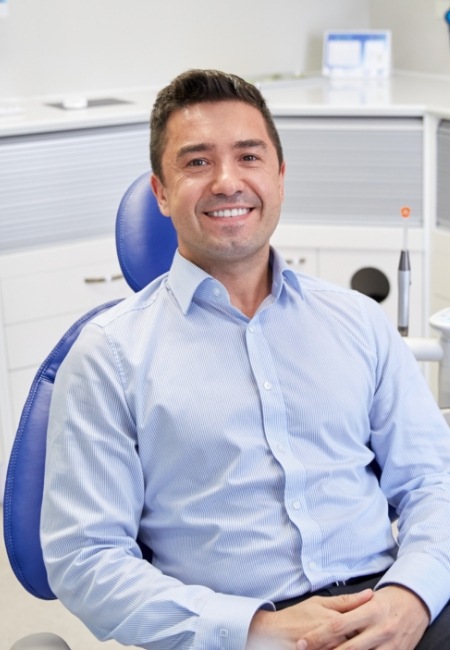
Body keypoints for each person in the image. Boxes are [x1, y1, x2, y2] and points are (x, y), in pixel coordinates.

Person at [40, 69, 450, 650]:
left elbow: (434, 481)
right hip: (234, 631)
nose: (227, 182)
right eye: (197, 162)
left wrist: (413, 594)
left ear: (279, 178)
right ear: (160, 191)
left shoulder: (357, 322)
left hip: (393, 611)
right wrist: (259, 630)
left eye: (249, 157)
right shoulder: (109, 355)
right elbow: (86, 559)